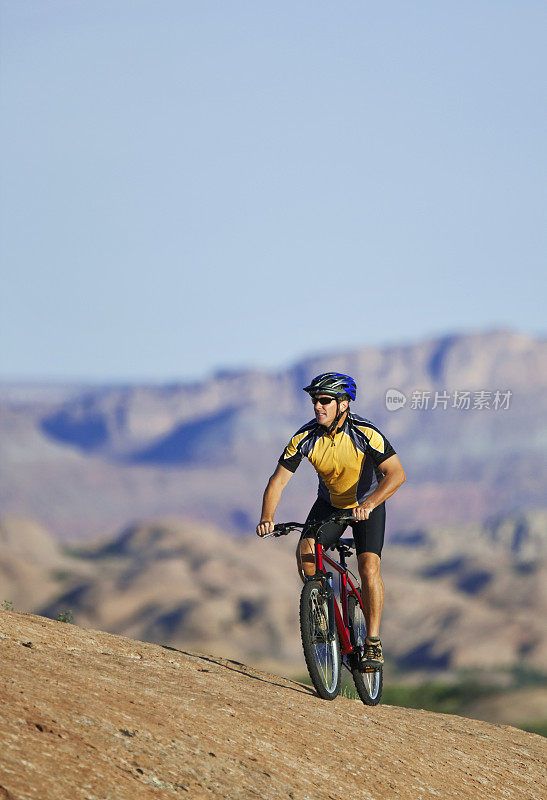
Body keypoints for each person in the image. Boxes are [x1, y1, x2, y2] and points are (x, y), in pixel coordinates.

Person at [256, 372, 405, 668]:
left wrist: (371, 503)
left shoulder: (366, 433)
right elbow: (278, 481)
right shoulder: (305, 437)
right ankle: (322, 616)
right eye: (315, 400)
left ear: (344, 404)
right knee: (306, 553)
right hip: (330, 505)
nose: (317, 406)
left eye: (325, 400)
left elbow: (397, 474)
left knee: (368, 567)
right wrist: (267, 518)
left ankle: (372, 642)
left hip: (367, 506)